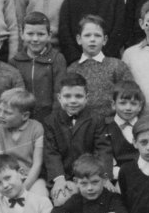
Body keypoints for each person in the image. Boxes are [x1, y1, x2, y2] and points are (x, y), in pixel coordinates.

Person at [43, 73, 112, 206]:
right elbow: (51, 153)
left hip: (91, 175)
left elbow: (103, 149)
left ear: (87, 98)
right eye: (67, 96)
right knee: (61, 199)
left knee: (106, 197)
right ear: (59, 98)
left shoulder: (96, 119)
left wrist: (104, 176)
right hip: (65, 176)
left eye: (78, 96)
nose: (73, 101)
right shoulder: (50, 121)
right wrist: (59, 178)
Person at [67, 15, 133, 118]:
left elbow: (130, 95)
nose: (92, 39)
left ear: (105, 40)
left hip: (110, 122)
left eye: (97, 35)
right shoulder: (72, 69)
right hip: (82, 122)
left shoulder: (117, 66)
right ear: (79, 39)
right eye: (87, 35)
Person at [9, 11, 67, 121]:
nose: (35, 39)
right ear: (22, 34)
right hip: (23, 120)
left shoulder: (57, 59)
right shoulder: (15, 62)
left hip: (50, 119)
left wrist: (54, 121)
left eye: (41, 34)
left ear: (49, 35)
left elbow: (59, 93)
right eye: (30, 34)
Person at [0, 88, 48, 197]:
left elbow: (37, 164)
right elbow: (1, 164)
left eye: (7, 113)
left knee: (41, 195)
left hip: (32, 178)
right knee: (1, 198)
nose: (1, 115)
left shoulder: (36, 128)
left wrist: (23, 188)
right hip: (7, 179)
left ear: (25, 116)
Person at [104, 80, 145, 180]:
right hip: (118, 176)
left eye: (133, 104)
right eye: (123, 103)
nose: (128, 108)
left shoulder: (146, 125)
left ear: (140, 106)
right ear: (113, 105)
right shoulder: (105, 127)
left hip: (144, 174)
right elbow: (106, 159)